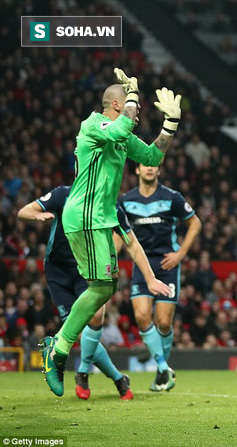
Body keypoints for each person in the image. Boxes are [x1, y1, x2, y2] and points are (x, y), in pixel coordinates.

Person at [39, 67, 182, 397]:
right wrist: (132, 95)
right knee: (102, 287)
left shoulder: (120, 134)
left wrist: (170, 125)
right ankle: (59, 352)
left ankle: (57, 350)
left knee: (104, 288)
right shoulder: (92, 125)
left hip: (100, 217)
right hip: (85, 215)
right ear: (117, 105)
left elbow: (151, 154)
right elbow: (120, 129)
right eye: (131, 104)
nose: (136, 110)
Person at [19, 186, 170, 399]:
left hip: (87, 268)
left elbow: (132, 243)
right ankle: (117, 378)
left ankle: (77, 368)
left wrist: (150, 277)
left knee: (98, 316)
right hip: (58, 270)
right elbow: (23, 211)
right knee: (80, 334)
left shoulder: (110, 205)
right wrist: (37, 215)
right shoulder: (63, 194)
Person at [119, 163, 201, 391]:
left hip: (167, 264)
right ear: (137, 170)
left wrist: (180, 254)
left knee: (164, 322)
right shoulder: (126, 200)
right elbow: (120, 234)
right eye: (145, 164)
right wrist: (112, 259)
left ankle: (160, 372)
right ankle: (164, 367)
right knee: (143, 315)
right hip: (143, 266)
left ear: (159, 171)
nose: (149, 168)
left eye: (154, 165)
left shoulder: (171, 197)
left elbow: (195, 223)